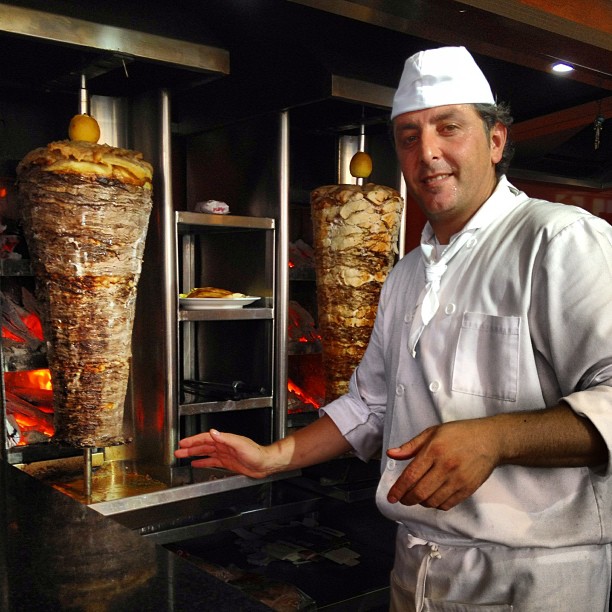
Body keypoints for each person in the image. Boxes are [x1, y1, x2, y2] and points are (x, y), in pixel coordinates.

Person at [175, 46, 612, 611]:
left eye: (448, 128)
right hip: (419, 566)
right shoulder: (408, 272)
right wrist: (272, 456)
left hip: (533, 577)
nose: (428, 153)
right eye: (409, 136)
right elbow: (371, 404)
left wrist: (495, 438)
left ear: (496, 140)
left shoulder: (558, 241)